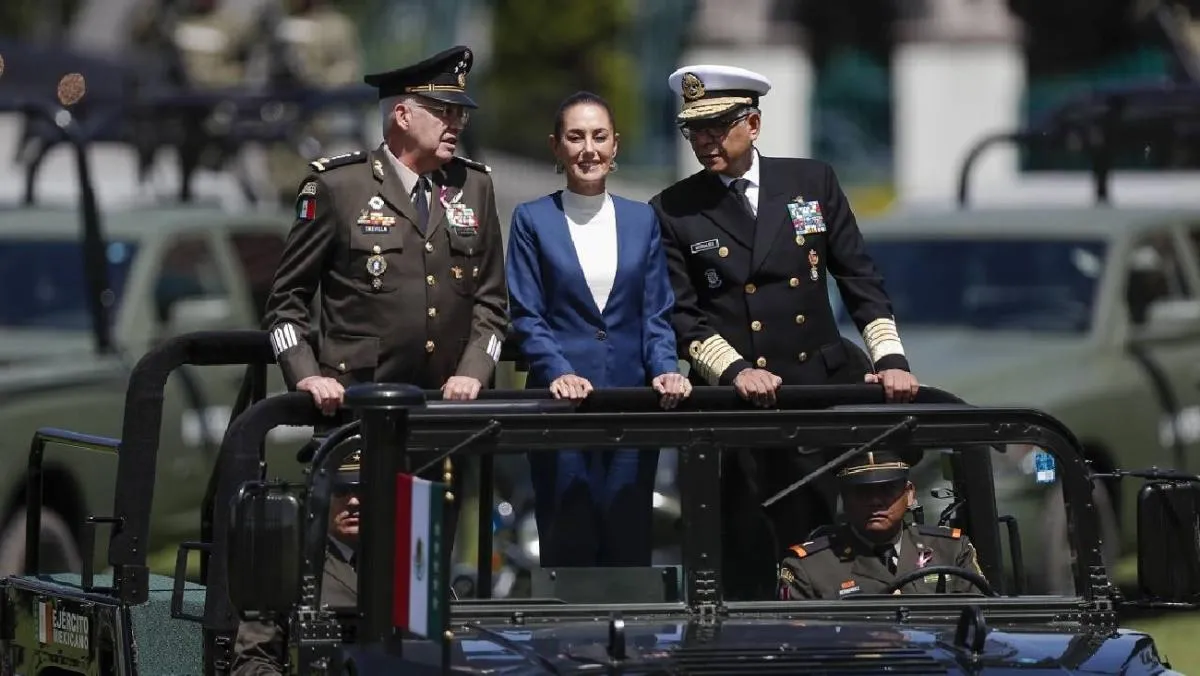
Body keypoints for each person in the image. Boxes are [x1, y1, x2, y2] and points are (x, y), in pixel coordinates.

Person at [649, 64, 922, 600]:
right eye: (694, 130)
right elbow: (681, 313)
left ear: (752, 124)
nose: (705, 142)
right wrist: (734, 370)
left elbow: (858, 277)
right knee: (742, 555)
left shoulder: (810, 182)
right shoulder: (673, 208)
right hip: (736, 405)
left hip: (814, 393)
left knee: (823, 549)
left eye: (717, 126)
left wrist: (890, 358)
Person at [506, 91, 691, 567]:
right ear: (556, 147)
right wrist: (558, 372)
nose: (588, 149)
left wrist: (665, 369)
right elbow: (527, 313)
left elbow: (656, 312)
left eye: (599, 136)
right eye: (575, 137)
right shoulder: (532, 219)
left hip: (631, 403)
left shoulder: (641, 218)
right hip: (560, 407)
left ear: (615, 145)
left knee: (628, 542)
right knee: (567, 541)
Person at [777, 450, 986, 599]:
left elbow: (982, 620)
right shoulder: (810, 567)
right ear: (844, 499)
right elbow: (799, 639)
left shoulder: (950, 550)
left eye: (887, 489)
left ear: (909, 494)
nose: (875, 501)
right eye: (862, 492)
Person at [230, 450, 361, 675]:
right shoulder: (290, 569)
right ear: (320, 498)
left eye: (362, 490)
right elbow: (251, 662)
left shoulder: (412, 569)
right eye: (341, 490)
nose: (354, 501)